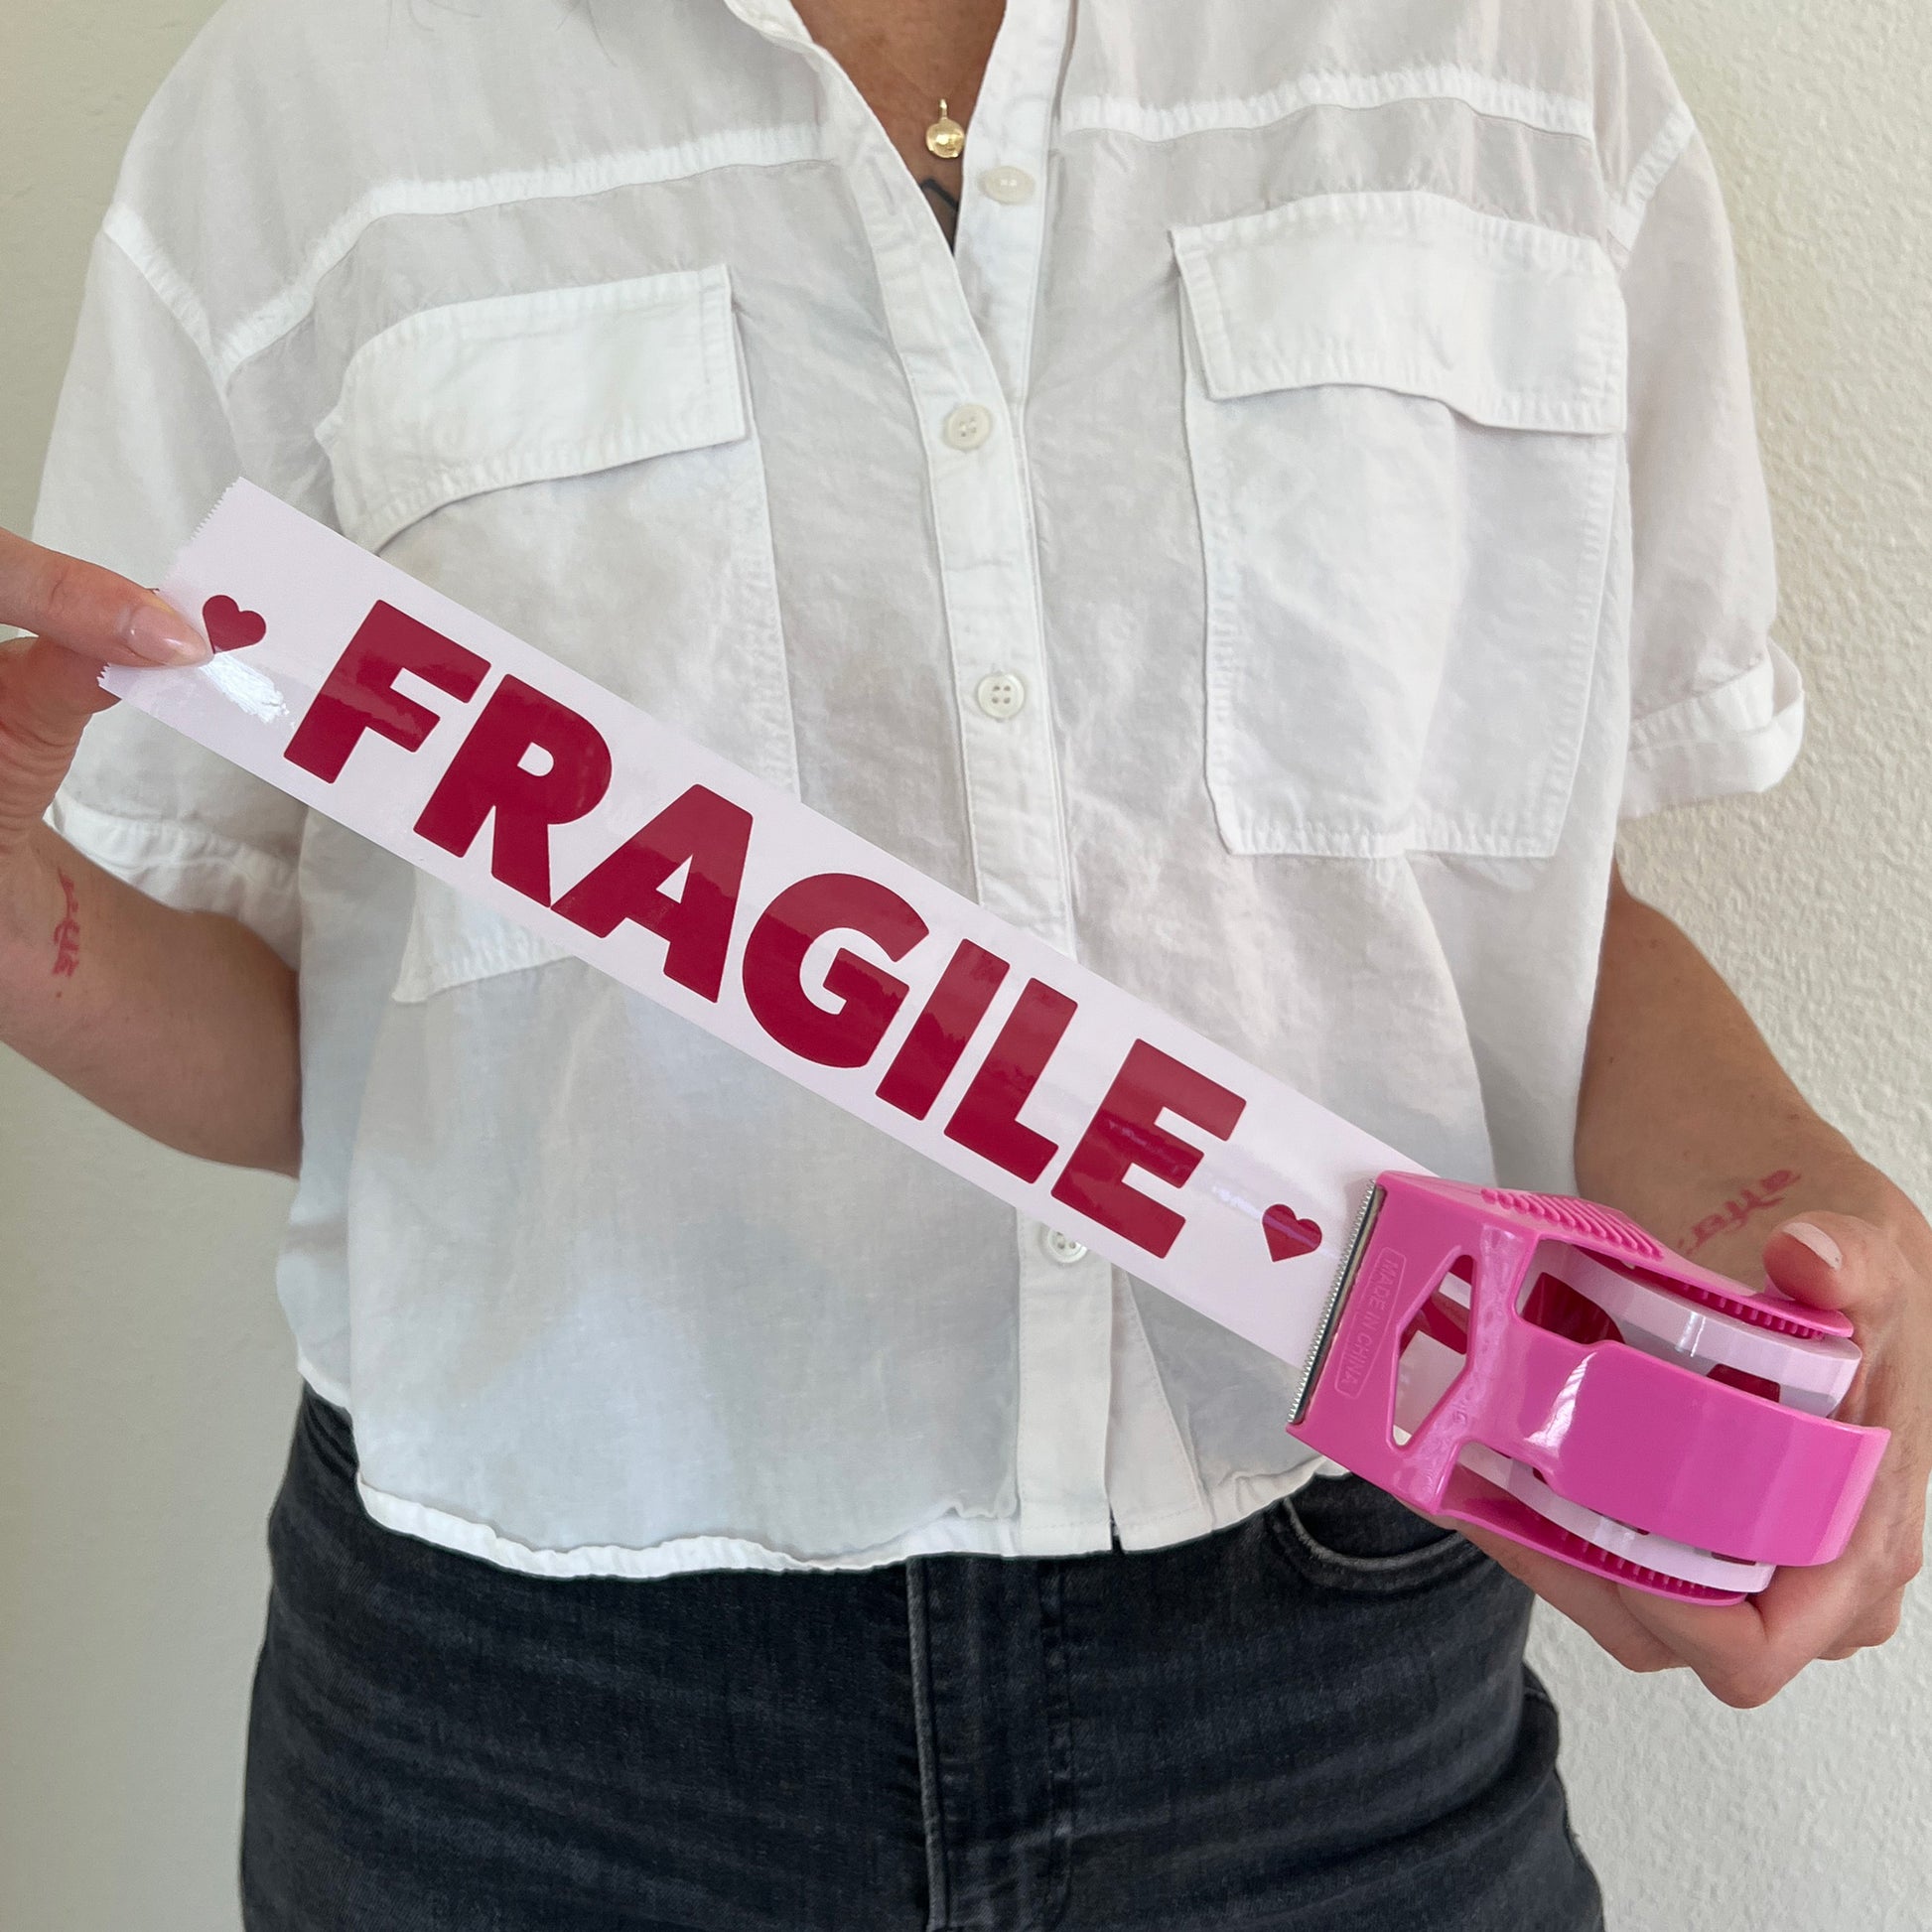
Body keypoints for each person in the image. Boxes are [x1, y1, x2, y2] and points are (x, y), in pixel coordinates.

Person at [3, 0, 1928, 1925]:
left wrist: (1777, 1202)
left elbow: (1516, 911)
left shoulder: (1513, 58)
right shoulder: (303, 99)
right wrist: (31, 936)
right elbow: (334, 1047)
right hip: (535, 1742)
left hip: (1333, 1694)